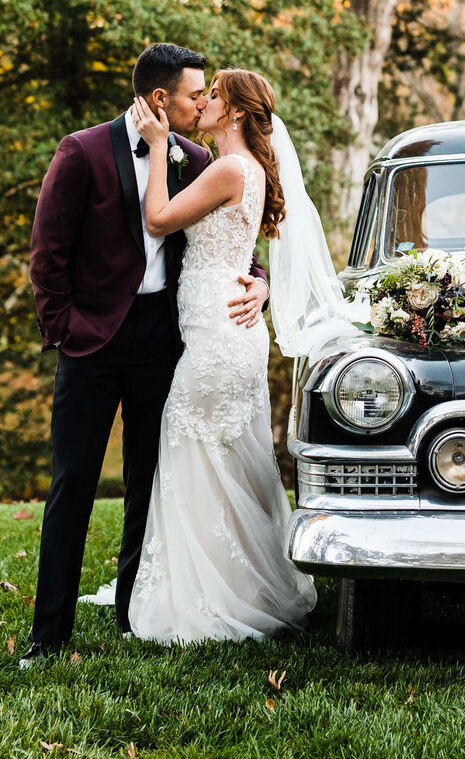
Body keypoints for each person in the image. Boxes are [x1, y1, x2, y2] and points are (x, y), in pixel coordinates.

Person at [23, 44, 270, 664]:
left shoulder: (195, 156)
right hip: (91, 343)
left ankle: (136, 613)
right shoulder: (80, 152)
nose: (199, 103)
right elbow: (47, 255)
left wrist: (259, 282)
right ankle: (47, 636)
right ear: (161, 99)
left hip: (166, 341)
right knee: (72, 484)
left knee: (147, 482)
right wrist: (66, 331)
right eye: (193, 95)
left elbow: (232, 233)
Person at [127, 68, 349, 644]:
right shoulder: (243, 170)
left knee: (191, 449)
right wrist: (264, 284)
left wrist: (155, 149)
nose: (202, 102)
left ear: (237, 114)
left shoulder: (229, 167)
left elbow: (157, 219)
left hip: (220, 337)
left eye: (214, 96)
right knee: (224, 462)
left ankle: (204, 599)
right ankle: (239, 585)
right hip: (227, 329)